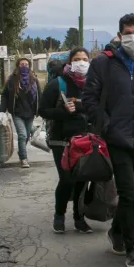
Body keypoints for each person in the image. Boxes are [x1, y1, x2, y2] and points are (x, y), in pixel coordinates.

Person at [81, 13, 134, 267]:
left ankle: (117, 231)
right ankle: (132, 249)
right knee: (127, 193)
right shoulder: (103, 64)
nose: (133, 38)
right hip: (116, 140)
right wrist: (107, 126)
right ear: (119, 35)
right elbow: (90, 100)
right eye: (128, 33)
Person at [38, 47, 93, 233]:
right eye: (77, 59)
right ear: (69, 62)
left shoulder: (92, 84)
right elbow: (43, 111)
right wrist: (63, 111)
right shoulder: (58, 84)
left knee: (82, 180)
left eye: (85, 59)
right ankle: (59, 216)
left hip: (85, 139)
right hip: (61, 140)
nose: (81, 62)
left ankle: (79, 218)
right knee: (67, 179)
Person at [0, 57, 40, 168]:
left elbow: (39, 96)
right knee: (22, 135)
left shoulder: (34, 80)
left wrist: (40, 110)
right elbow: (4, 95)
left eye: (26, 64)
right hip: (17, 112)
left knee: (26, 136)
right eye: (22, 64)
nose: (24, 66)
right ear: (17, 66)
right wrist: (2, 111)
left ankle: (21, 152)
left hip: (30, 113)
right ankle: (23, 158)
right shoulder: (12, 80)